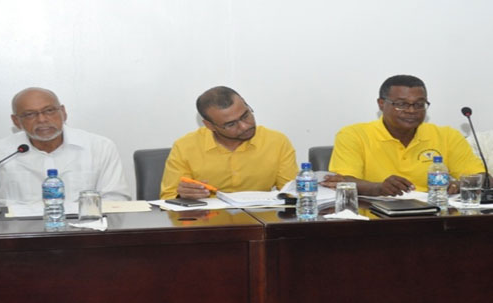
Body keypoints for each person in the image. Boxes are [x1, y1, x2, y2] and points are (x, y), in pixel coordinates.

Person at [0, 87, 130, 207]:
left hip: (84, 237)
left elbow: (116, 201)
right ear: (16, 121)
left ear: (63, 112)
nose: (42, 119)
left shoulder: (100, 147)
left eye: (49, 111)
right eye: (30, 114)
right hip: (16, 242)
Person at [322, 75, 484, 196]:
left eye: (419, 104)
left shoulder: (447, 135)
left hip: (434, 220)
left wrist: (457, 184)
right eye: (401, 104)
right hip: (375, 222)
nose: (411, 111)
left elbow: (481, 176)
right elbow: (342, 182)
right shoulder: (354, 135)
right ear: (381, 103)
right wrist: (379, 188)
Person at [160, 86, 298, 200]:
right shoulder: (185, 147)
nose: (244, 126)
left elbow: (292, 193)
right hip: (208, 225)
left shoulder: (276, 141)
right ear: (210, 126)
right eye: (231, 124)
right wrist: (182, 195)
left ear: (246, 104)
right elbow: (167, 198)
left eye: (246, 115)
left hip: (261, 223)